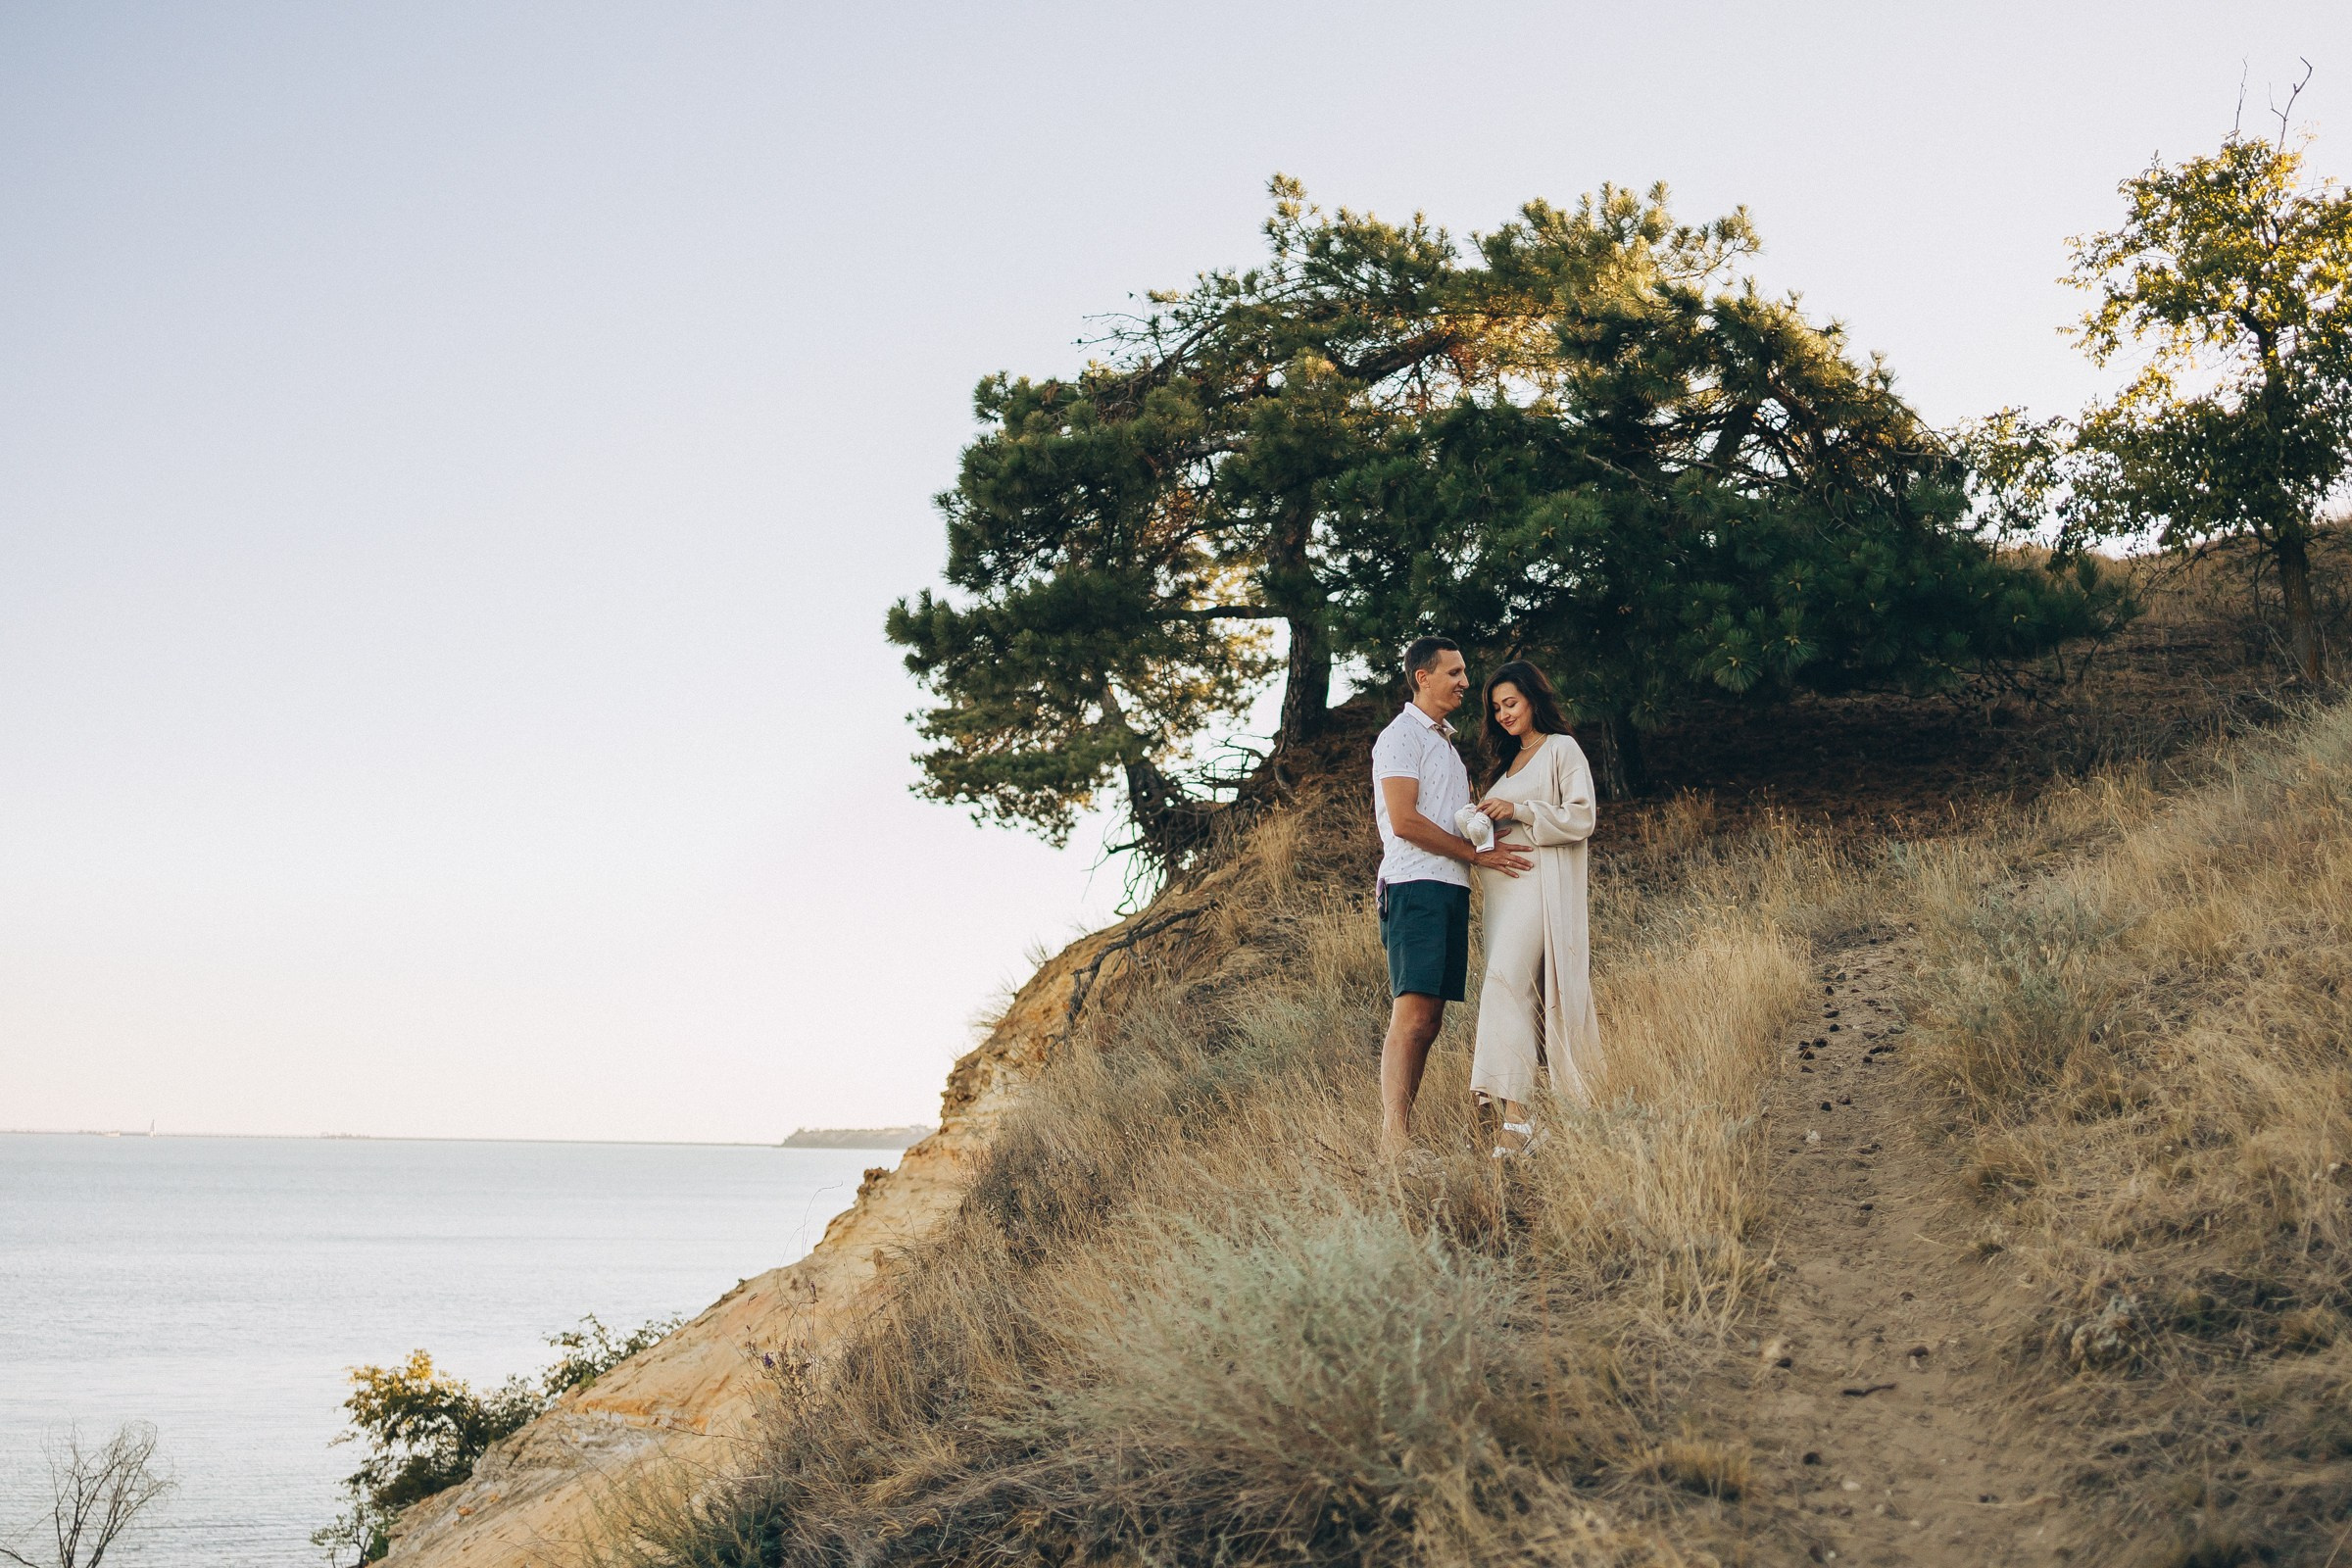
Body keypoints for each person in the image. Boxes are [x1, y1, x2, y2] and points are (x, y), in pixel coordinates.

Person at [1372, 636, 1532, 1153]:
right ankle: (1394, 1141)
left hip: (1448, 888)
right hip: (1414, 886)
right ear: (1423, 677)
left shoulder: (1443, 744)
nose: (1466, 682)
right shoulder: (1400, 736)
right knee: (1413, 1014)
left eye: (1464, 672)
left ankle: (1401, 1136)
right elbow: (1404, 821)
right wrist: (1474, 854)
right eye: (1455, 672)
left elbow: (1441, 816)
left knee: (1431, 1018)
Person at [1467, 660, 1601, 1154]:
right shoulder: (1505, 767)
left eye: (1511, 703)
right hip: (1502, 899)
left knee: (1505, 987)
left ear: (1533, 700)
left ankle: (1517, 1120)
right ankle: (1523, 1116)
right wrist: (1479, 822)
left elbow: (1582, 817)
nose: (1504, 714)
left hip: (1538, 890)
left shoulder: (1561, 749)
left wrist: (1519, 809)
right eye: (1496, 708)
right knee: (1514, 993)